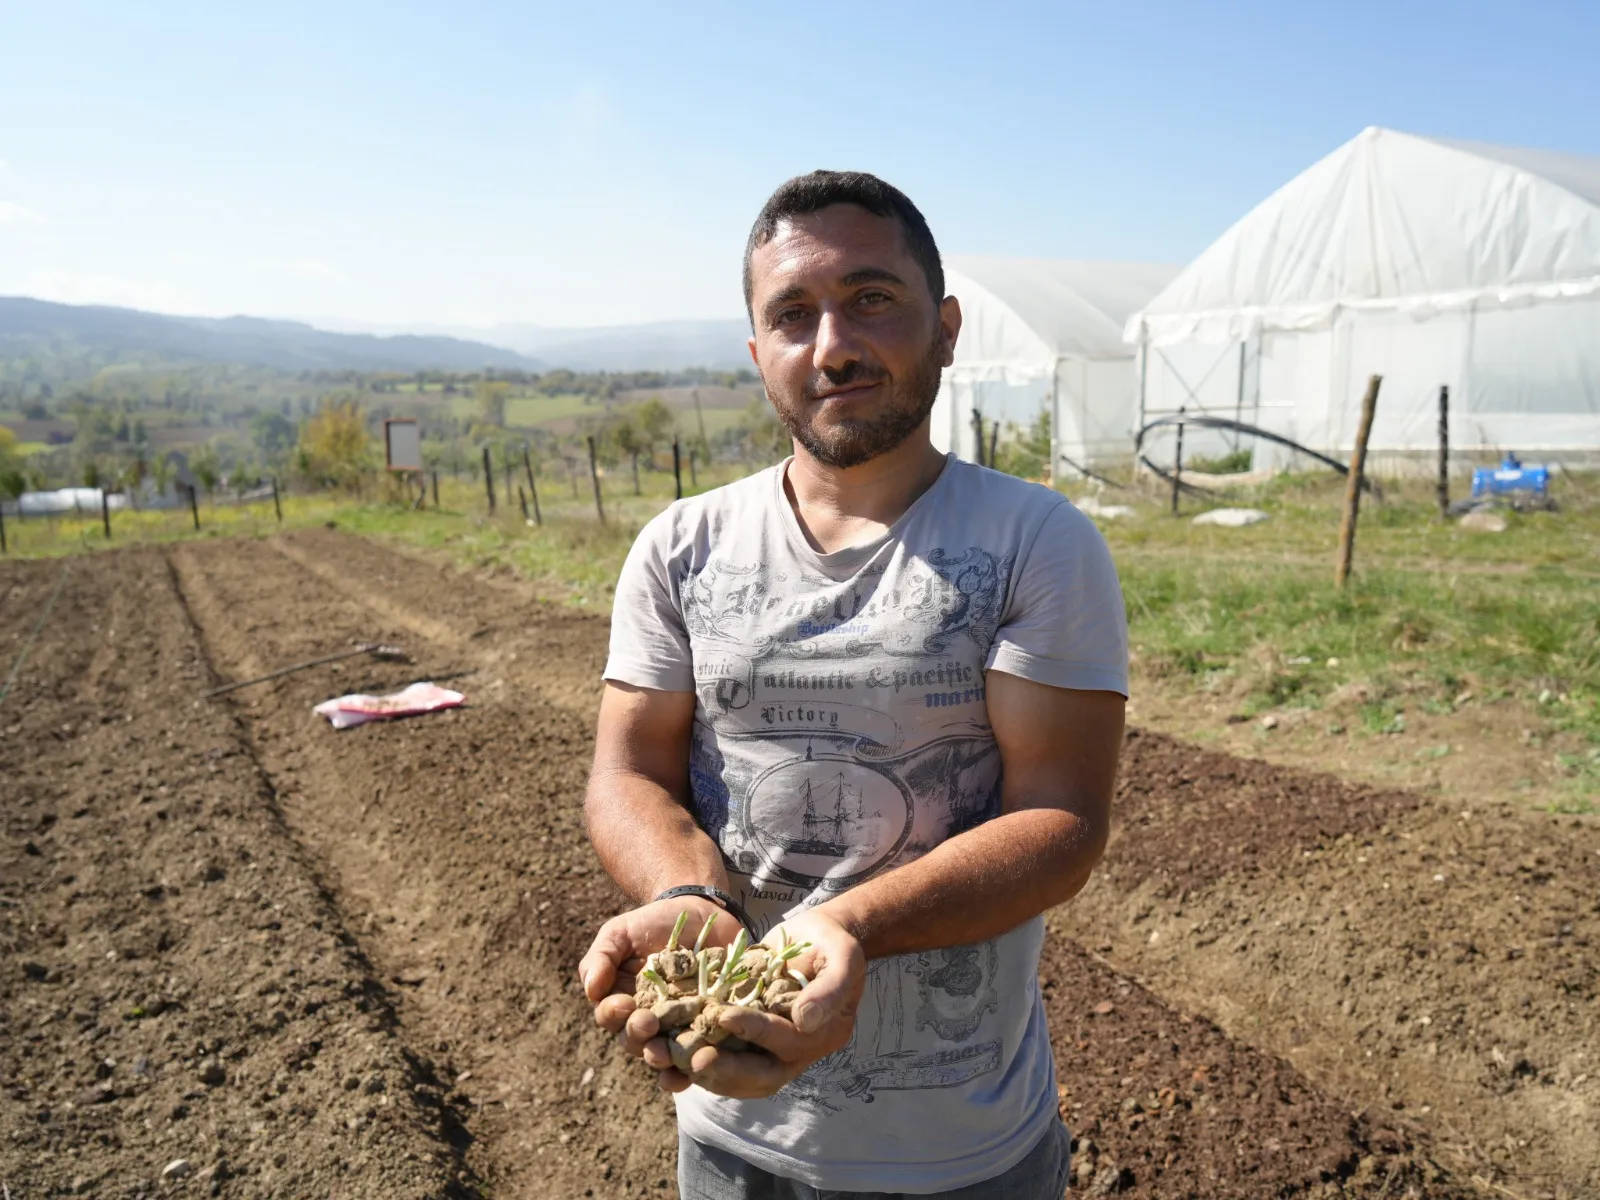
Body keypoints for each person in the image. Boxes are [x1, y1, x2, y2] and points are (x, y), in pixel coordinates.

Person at [580, 170, 1128, 1198]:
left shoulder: (1032, 544)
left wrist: (850, 926)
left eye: (871, 298)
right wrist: (687, 894)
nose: (832, 344)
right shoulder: (680, 548)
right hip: (731, 1131)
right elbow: (629, 770)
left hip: (964, 1158)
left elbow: (1062, 818)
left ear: (946, 328)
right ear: (758, 355)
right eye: (792, 315)